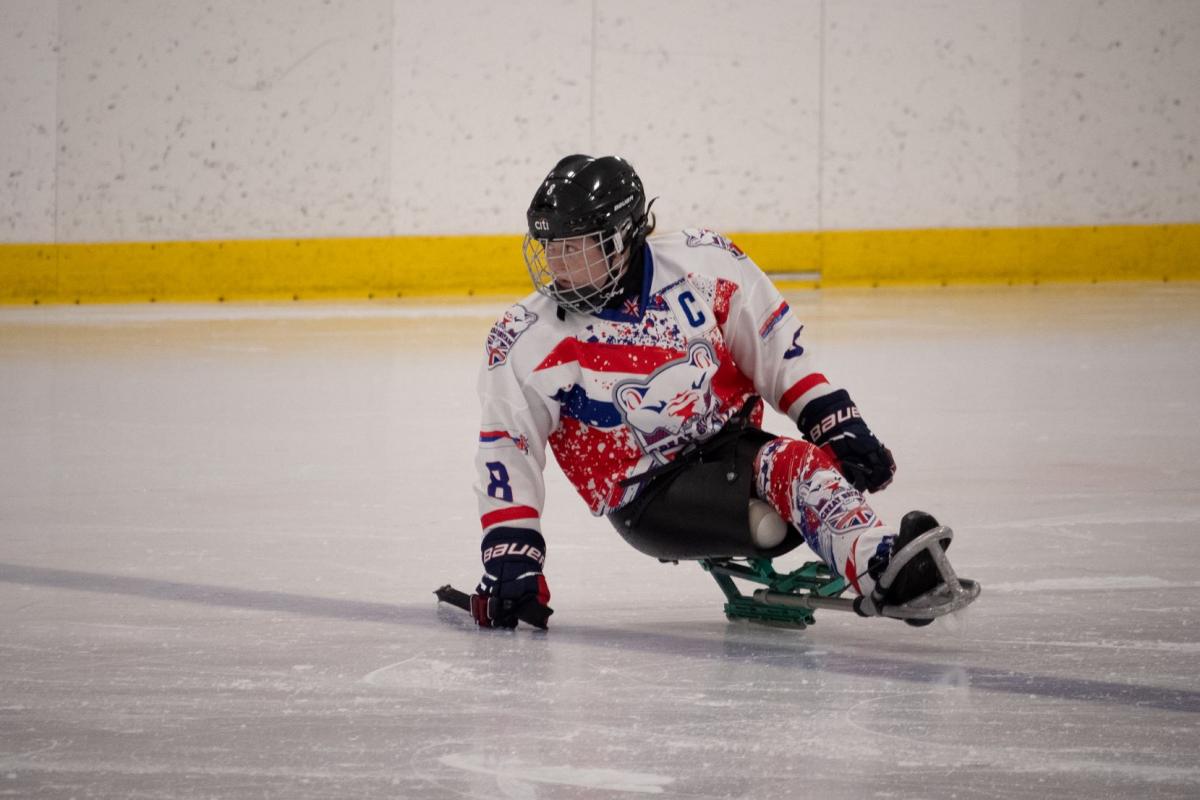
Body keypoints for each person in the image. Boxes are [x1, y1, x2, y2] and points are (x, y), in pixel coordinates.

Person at [470, 154, 949, 630]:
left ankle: (883, 560)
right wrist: (514, 558)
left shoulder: (705, 264)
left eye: (575, 247)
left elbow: (774, 345)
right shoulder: (526, 338)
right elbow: (509, 450)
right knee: (794, 471)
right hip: (647, 495)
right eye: (551, 246)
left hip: (730, 449)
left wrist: (835, 421)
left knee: (801, 465)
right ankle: (882, 566)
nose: (557, 262)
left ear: (621, 240)